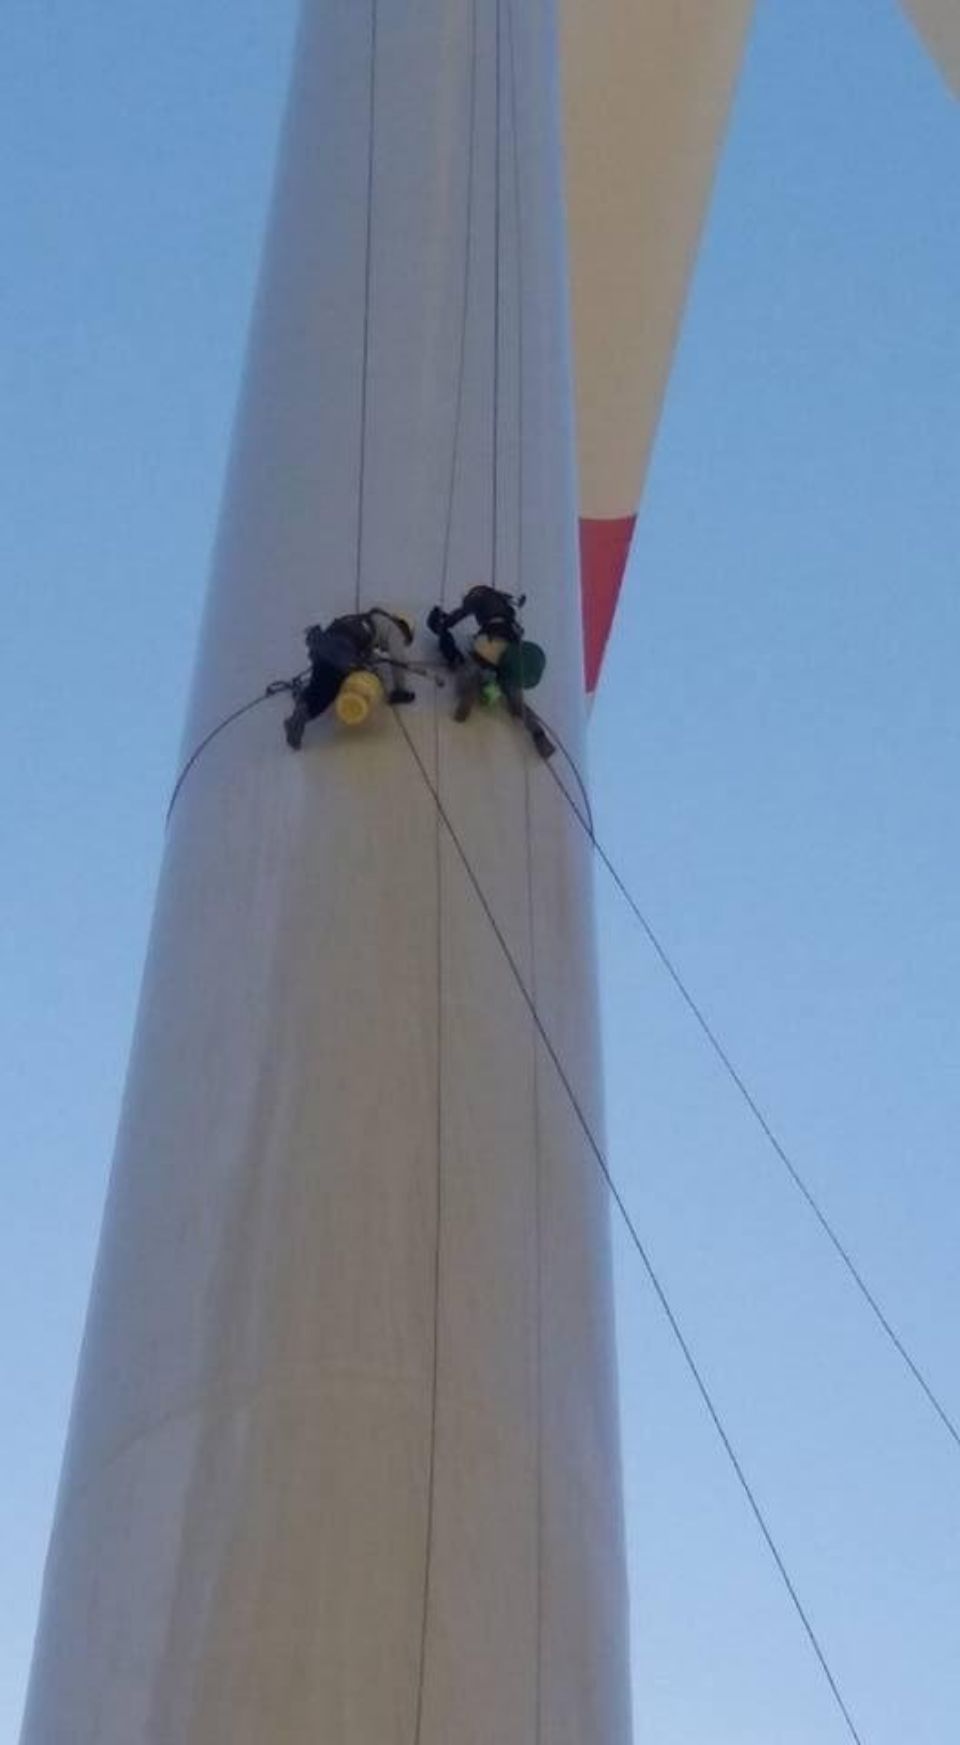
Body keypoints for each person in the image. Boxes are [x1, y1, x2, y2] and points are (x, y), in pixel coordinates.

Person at [427, 587, 554, 759]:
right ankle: (538, 734)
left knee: (469, 666)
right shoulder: (504, 603)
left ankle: (470, 690)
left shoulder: (476, 597)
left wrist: (443, 625)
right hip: (510, 653)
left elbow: (459, 615)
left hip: (488, 646)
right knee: (515, 700)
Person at [283, 609, 417, 749]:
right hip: (341, 648)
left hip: (325, 641)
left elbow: (368, 654)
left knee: (318, 683)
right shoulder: (394, 629)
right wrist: (400, 690)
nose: (400, 643)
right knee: (329, 692)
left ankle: (300, 709)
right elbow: (398, 659)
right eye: (404, 641)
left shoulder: (372, 619)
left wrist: (373, 663)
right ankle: (301, 718)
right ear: (405, 628)